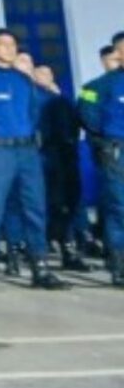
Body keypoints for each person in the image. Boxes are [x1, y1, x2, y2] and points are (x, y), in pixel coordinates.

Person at [0, 28, 67, 292]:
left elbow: (33, 113)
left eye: (12, 44)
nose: (8, 48)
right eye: (2, 43)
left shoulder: (24, 80)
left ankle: (40, 269)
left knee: (35, 209)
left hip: (27, 152)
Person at [77, 30, 124, 288]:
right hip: (118, 150)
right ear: (117, 53)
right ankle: (119, 265)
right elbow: (87, 117)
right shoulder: (96, 87)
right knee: (119, 209)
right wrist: (107, 141)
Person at [34, 65, 89, 272]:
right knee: (49, 203)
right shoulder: (34, 98)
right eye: (39, 74)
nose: (44, 77)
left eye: (48, 73)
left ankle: (70, 246)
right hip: (44, 158)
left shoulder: (62, 99)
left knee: (70, 202)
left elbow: (76, 123)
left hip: (66, 157)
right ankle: (52, 247)